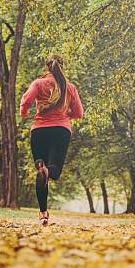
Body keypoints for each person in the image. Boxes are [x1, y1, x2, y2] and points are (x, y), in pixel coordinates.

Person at [20, 55, 84, 226]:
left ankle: (43, 214)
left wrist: (24, 112)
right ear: (62, 67)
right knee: (52, 171)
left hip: (39, 132)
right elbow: (79, 113)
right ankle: (47, 171)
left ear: (46, 67)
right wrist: (63, 115)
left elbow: (26, 100)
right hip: (61, 131)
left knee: (41, 170)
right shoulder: (69, 87)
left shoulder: (38, 83)